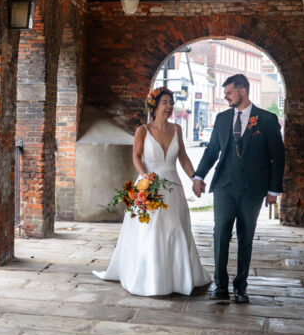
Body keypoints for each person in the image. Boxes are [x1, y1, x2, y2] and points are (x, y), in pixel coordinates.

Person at [94, 87, 210, 296]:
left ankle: (178, 277)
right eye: (165, 102)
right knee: (150, 232)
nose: (169, 107)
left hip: (173, 187)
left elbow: (183, 157)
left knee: (175, 229)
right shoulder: (142, 131)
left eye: (171, 103)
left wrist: (195, 177)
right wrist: (145, 176)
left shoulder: (177, 129)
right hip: (149, 186)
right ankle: (149, 278)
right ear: (155, 106)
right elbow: (137, 156)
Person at [192, 74, 285, 304]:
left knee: (246, 237)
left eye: (229, 92)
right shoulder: (222, 119)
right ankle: (220, 285)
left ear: (242, 90)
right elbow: (212, 150)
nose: (225, 97)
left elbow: (278, 156)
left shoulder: (267, 119)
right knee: (220, 233)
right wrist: (199, 176)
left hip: (252, 190)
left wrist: (274, 190)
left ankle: (241, 287)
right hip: (224, 185)